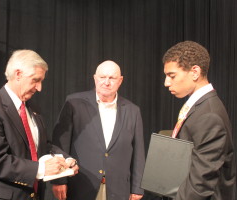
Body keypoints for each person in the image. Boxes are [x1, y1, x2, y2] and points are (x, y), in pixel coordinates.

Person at [0, 49, 78, 200]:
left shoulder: (33, 109)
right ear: (18, 74)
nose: (39, 88)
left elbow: (44, 146)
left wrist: (65, 160)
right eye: (35, 80)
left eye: (41, 81)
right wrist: (42, 169)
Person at [51, 60, 145, 200]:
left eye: (112, 78)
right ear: (95, 78)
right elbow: (60, 144)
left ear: (120, 81)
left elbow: (138, 152)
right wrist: (59, 180)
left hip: (118, 190)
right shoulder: (74, 103)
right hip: (81, 186)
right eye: (102, 77)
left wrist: (138, 187)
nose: (106, 82)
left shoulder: (132, 110)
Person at [163, 41, 236, 200]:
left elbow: (200, 185)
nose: (166, 82)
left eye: (171, 75)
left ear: (195, 72)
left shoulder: (209, 116)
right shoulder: (197, 106)